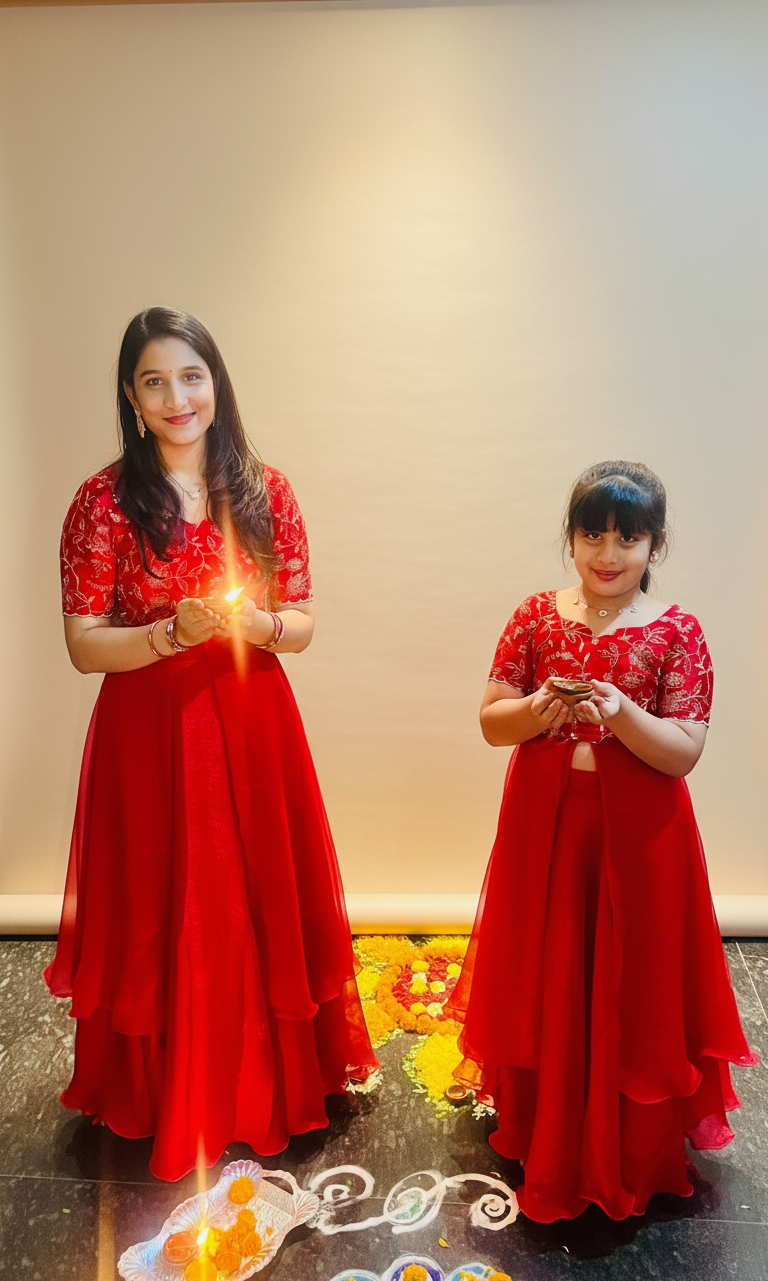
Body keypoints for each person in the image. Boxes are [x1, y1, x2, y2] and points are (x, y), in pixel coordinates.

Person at [46, 306, 377, 1182]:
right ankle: (163, 1094)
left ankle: (265, 1081)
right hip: (148, 735)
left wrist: (256, 622)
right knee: (164, 903)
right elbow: (84, 645)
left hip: (252, 717)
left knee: (255, 893)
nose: (176, 395)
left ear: (216, 382)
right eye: (154, 380)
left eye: (190, 376)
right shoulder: (103, 501)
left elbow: (301, 624)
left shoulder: (267, 491)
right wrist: (172, 636)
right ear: (132, 395)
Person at [446, 460, 757, 1223]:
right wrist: (540, 709)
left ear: (655, 544)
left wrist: (618, 712)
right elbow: (492, 722)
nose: (608, 553)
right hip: (546, 827)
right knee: (548, 968)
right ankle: (545, 1124)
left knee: (633, 978)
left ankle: (630, 1137)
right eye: (592, 533)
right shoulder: (535, 616)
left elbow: (682, 750)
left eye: (629, 537)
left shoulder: (677, 630)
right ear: (572, 537)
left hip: (642, 837)